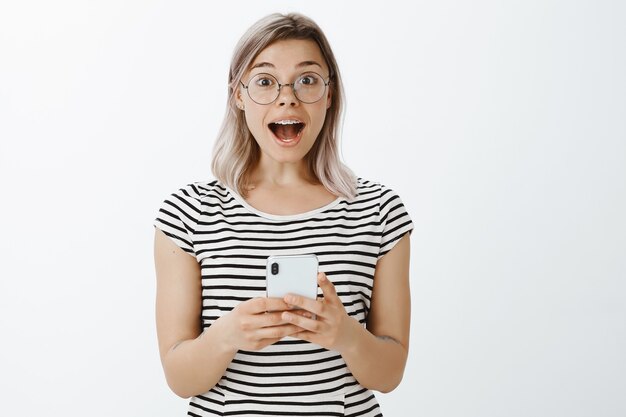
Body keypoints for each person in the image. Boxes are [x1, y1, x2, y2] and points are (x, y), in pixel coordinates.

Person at [153, 12, 413, 417]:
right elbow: (180, 380)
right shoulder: (187, 214)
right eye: (265, 81)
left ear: (329, 94)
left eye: (307, 80)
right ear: (238, 95)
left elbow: (390, 374)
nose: (287, 96)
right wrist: (227, 335)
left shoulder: (379, 212)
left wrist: (345, 335)